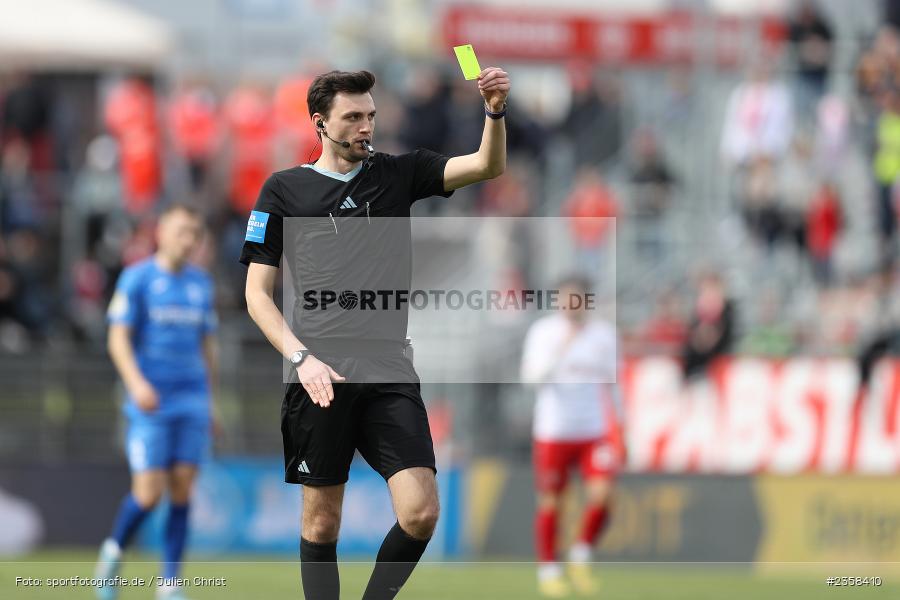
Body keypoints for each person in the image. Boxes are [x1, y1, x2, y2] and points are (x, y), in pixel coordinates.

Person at [240, 67, 509, 600]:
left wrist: (494, 111)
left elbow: (486, 165)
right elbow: (256, 295)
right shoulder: (283, 190)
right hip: (318, 371)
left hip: (389, 366)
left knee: (421, 512)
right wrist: (301, 359)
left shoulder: (399, 173)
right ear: (320, 123)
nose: (367, 126)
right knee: (321, 524)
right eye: (354, 117)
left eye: (371, 116)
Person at [93, 204, 219, 600]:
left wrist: (210, 400)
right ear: (161, 233)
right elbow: (117, 338)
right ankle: (112, 555)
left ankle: (170, 583)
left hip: (192, 400)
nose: (189, 240)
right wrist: (136, 384)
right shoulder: (138, 278)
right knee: (148, 493)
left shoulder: (202, 284)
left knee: (182, 488)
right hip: (151, 402)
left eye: (194, 234)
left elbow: (208, 346)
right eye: (182, 231)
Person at [520, 276, 624, 598]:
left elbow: (615, 383)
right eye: (565, 298)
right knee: (552, 501)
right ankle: (549, 569)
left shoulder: (605, 334)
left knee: (604, 495)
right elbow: (530, 379)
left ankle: (580, 552)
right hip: (554, 430)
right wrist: (562, 348)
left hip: (593, 430)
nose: (570, 304)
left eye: (576, 298)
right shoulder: (544, 332)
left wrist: (622, 426)